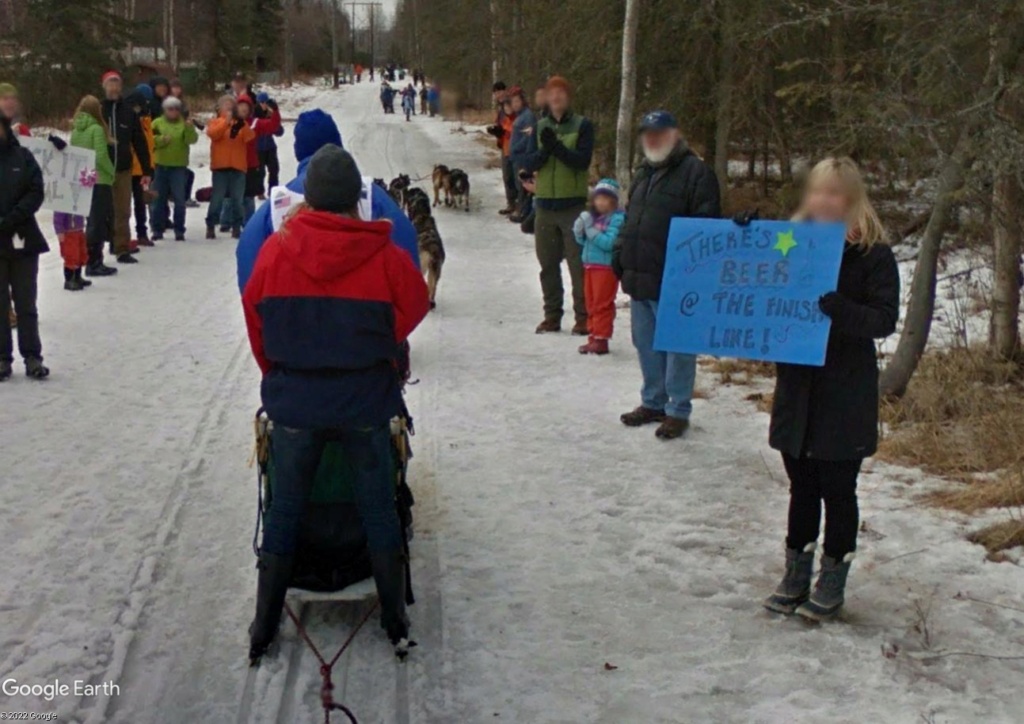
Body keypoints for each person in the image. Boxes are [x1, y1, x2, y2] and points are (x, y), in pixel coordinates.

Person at [243, 145, 430, 661]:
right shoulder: (386, 255)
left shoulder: (274, 253)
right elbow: (414, 307)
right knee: (378, 508)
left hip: (295, 407)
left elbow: (256, 322)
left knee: (284, 510)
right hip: (364, 404)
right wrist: (373, 343)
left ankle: (263, 627)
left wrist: (282, 375)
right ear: (355, 200)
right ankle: (395, 620)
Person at [760, 158, 899, 621]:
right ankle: (795, 573)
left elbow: (883, 320)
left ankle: (832, 578)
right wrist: (742, 237)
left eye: (835, 193)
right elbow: (754, 282)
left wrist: (841, 309)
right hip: (798, 391)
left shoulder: (872, 255)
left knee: (838, 490)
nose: (824, 200)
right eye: (819, 191)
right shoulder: (788, 244)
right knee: (801, 487)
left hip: (844, 392)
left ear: (852, 199)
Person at [614, 110, 720, 440]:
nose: (653, 138)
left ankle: (678, 409)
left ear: (675, 134)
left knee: (678, 347)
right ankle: (653, 401)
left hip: (675, 281)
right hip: (639, 275)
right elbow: (630, 218)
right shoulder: (643, 172)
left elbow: (707, 229)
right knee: (646, 344)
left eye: (660, 132)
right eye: (648, 133)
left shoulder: (696, 173)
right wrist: (620, 255)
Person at [236, 109, 421, 293]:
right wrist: (386, 318)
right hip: (363, 314)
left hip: (292, 313)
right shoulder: (371, 195)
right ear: (338, 144)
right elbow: (407, 252)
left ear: (298, 150)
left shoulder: (277, 204)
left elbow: (248, 261)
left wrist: (269, 318)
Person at [522, 76, 594, 337]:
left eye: (561, 93)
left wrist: (556, 147)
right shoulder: (540, 126)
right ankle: (552, 315)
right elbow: (530, 162)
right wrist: (546, 150)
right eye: (552, 93)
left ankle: (583, 317)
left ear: (568, 97)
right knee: (547, 264)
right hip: (544, 205)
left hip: (572, 206)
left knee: (577, 265)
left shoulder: (583, 125)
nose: (556, 98)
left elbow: (581, 162)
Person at [0, 112, 50, 381]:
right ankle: (2, 358)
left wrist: (13, 218)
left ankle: (32, 356)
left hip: (22, 238)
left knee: (25, 302)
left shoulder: (23, 157)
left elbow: (36, 191)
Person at [101, 71, 152, 265]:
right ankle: (96, 250)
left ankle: (121, 247)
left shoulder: (128, 110)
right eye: (110, 84)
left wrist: (146, 169)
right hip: (101, 169)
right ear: (104, 87)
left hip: (123, 167)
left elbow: (139, 140)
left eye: (116, 84)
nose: (113, 88)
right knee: (101, 210)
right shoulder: (98, 110)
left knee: (123, 209)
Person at [572, 179, 624, 356]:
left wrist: (590, 230)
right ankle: (593, 335)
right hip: (590, 265)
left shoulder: (617, 219)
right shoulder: (593, 217)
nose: (600, 202)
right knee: (591, 302)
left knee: (602, 303)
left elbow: (608, 243)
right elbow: (584, 241)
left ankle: (601, 338)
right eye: (598, 198)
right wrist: (579, 231)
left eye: (605, 199)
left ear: (614, 201)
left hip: (606, 268)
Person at [70, 96, 118, 279]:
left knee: (91, 219)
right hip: (100, 177)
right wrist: (111, 171)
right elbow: (100, 155)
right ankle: (95, 261)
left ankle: (89, 258)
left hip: (86, 176)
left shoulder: (76, 130)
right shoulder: (96, 129)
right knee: (99, 219)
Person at [205, 95, 254, 240]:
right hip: (220, 167)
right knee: (217, 199)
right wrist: (226, 122)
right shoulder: (215, 122)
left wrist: (241, 123)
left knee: (237, 200)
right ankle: (211, 224)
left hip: (238, 167)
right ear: (219, 108)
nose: (228, 107)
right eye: (225, 105)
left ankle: (237, 226)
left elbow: (249, 137)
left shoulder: (240, 123)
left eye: (231, 105)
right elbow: (213, 134)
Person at [150, 97, 198, 241]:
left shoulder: (184, 124)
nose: (174, 112)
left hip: (179, 167)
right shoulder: (157, 123)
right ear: (165, 110)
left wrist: (190, 129)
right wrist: (160, 140)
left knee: (179, 199)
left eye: (176, 109)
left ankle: (179, 229)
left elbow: (192, 140)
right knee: (158, 199)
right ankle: (157, 229)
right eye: (170, 108)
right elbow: (148, 139)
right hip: (160, 165)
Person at [236, 94, 281, 223]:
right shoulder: (230, 122)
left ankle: (248, 222)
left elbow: (273, 126)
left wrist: (275, 112)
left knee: (248, 197)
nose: (243, 110)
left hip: (250, 164)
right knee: (233, 197)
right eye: (241, 107)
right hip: (234, 164)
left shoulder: (255, 123)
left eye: (246, 108)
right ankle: (231, 222)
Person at [128, 83, 157, 248]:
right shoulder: (130, 120)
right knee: (126, 205)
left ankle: (142, 232)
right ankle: (125, 236)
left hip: (142, 170)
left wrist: (149, 167)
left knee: (141, 202)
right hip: (130, 168)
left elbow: (149, 147)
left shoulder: (147, 122)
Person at [169, 79, 202, 208]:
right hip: (172, 141)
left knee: (185, 172)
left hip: (183, 139)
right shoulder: (167, 104)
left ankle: (182, 196)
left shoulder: (182, 103)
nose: (176, 91)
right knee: (183, 173)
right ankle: (180, 196)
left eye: (178, 88)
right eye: (174, 88)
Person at [507, 87, 536, 223]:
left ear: (523, 101)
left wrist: (517, 150)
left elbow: (528, 137)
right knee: (519, 184)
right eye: (513, 102)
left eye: (517, 101)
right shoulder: (520, 116)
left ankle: (524, 212)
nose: (515, 105)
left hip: (522, 156)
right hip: (516, 156)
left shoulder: (528, 116)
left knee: (523, 185)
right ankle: (521, 209)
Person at [488, 94, 518, 216]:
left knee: (517, 180)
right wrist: (498, 133)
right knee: (507, 178)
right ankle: (510, 204)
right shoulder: (504, 118)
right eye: (505, 106)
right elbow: (503, 131)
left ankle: (519, 206)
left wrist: (504, 133)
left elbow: (517, 135)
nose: (507, 108)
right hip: (505, 150)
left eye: (509, 105)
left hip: (516, 153)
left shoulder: (518, 118)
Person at [255, 93, 284, 194]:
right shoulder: (254, 115)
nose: (264, 105)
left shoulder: (271, 114)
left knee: (274, 169)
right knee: (260, 171)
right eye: (262, 102)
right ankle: (259, 191)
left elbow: (280, 131)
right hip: (258, 147)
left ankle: (273, 191)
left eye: (266, 102)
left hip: (270, 146)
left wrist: (274, 128)